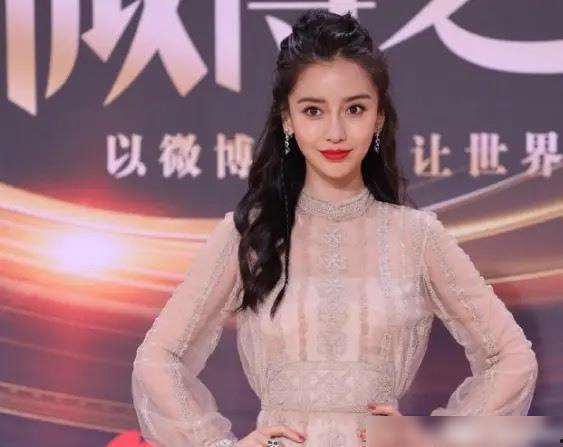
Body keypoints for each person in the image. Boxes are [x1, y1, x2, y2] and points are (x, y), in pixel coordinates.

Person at [131, 9, 538, 447]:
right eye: (313, 111)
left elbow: (512, 359)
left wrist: (430, 440)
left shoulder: (416, 237)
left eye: (355, 109)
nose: (336, 132)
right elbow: (159, 359)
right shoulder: (249, 234)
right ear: (287, 119)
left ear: (378, 117)